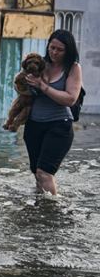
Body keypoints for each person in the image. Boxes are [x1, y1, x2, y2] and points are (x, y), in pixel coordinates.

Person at [23, 29, 83, 195]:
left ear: (68, 50)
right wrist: (24, 83)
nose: (54, 52)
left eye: (59, 49)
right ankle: (38, 212)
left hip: (59, 126)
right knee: (37, 173)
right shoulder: (40, 63)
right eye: (52, 47)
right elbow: (22, 88)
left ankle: (53, 212)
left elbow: (70, 98)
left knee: (45, 173)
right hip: (34, 125)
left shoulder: (73, 68)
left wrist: (42, 86)